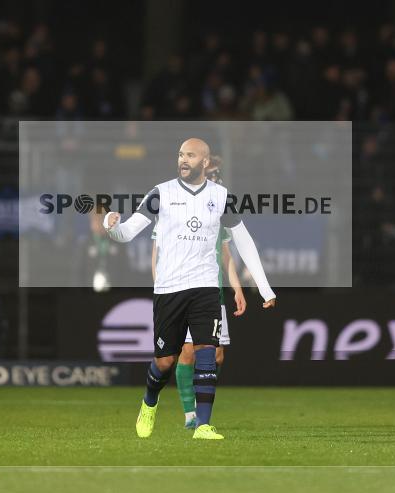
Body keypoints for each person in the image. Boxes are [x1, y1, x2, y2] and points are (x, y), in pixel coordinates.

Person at [104, 138, 276, 440]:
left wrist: (264, 288)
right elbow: (127, 233)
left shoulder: (221, 196)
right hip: (170, 288)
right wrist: (111, 226)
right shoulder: (161, 193)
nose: (183, 160)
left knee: (207, 351)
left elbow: (243, 240)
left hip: (206, 286)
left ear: (205, 163)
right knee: (165, 362)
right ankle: (149, 401)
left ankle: (203, 424)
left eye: (191, 155)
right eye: (181, 154)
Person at [150, 156, 247, 429]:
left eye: (218, 174)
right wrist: (164, 288)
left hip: (212, 292)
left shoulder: (218, 209)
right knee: (186, 353)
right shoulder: (173, 206)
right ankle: (191, 415)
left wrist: (237, 288)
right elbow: (157, 255)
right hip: (181, 289)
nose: (215, 178)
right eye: (212, 173)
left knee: (217, 355)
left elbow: (225, 253)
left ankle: (198, 411)